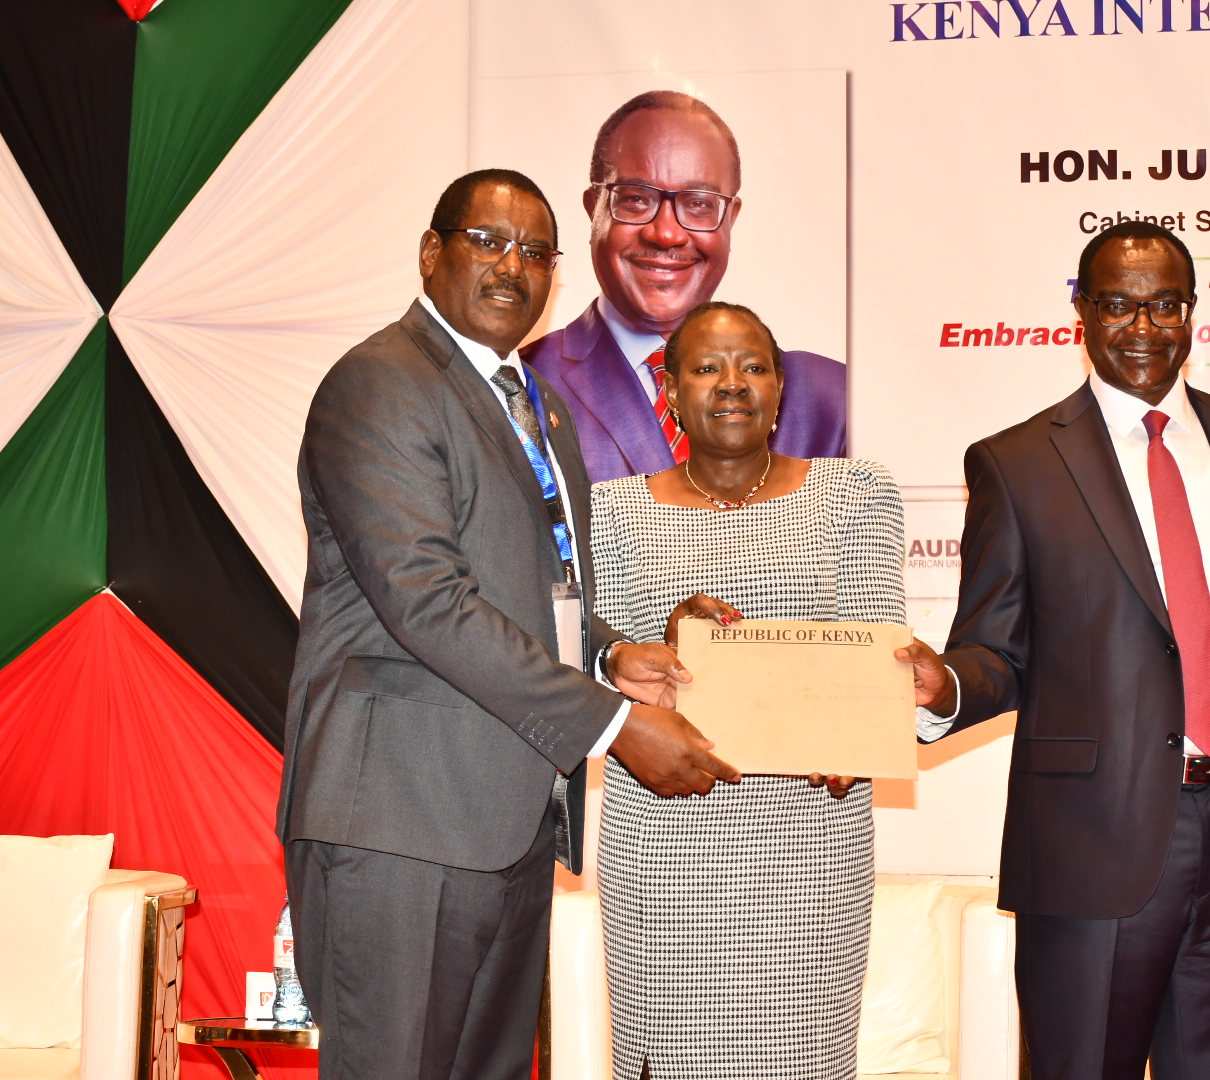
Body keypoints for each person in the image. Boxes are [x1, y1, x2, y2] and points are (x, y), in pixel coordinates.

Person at [276, 169, 738, 1080]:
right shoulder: (380, 383)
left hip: (510, 821)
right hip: (401, 821)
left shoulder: (538, 404)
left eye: (535, 252)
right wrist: (613, 726)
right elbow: (427, 601)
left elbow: (539, 590)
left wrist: (611, 657)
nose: (511, 267)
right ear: (431, 252)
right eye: (488, 241)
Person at [898, 221, 1210, 1079]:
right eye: (1117, 305)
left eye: (1164, 305)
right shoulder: (1017, 464)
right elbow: (994, 652)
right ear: (1079, 313)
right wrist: (944, 690)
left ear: (1192, 313)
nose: (1143, 327)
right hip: (1093, 841)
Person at [587, 300, 903, 1080]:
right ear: (669, 389)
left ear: (782, 387)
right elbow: (601, 665)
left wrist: (855, 728)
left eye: (753, 366)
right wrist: (670, 632)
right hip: (665, 846)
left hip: (808, 843)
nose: (732, 384)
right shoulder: (610, 512)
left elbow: (875, 652)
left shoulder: (854, 494)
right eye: (706, 367)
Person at [522, 90, 845, 482]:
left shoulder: (833, 399)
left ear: (731, 218)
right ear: (594, 208)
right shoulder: (524, 387)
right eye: (636, 199)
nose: (667, 234)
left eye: (698, 204)